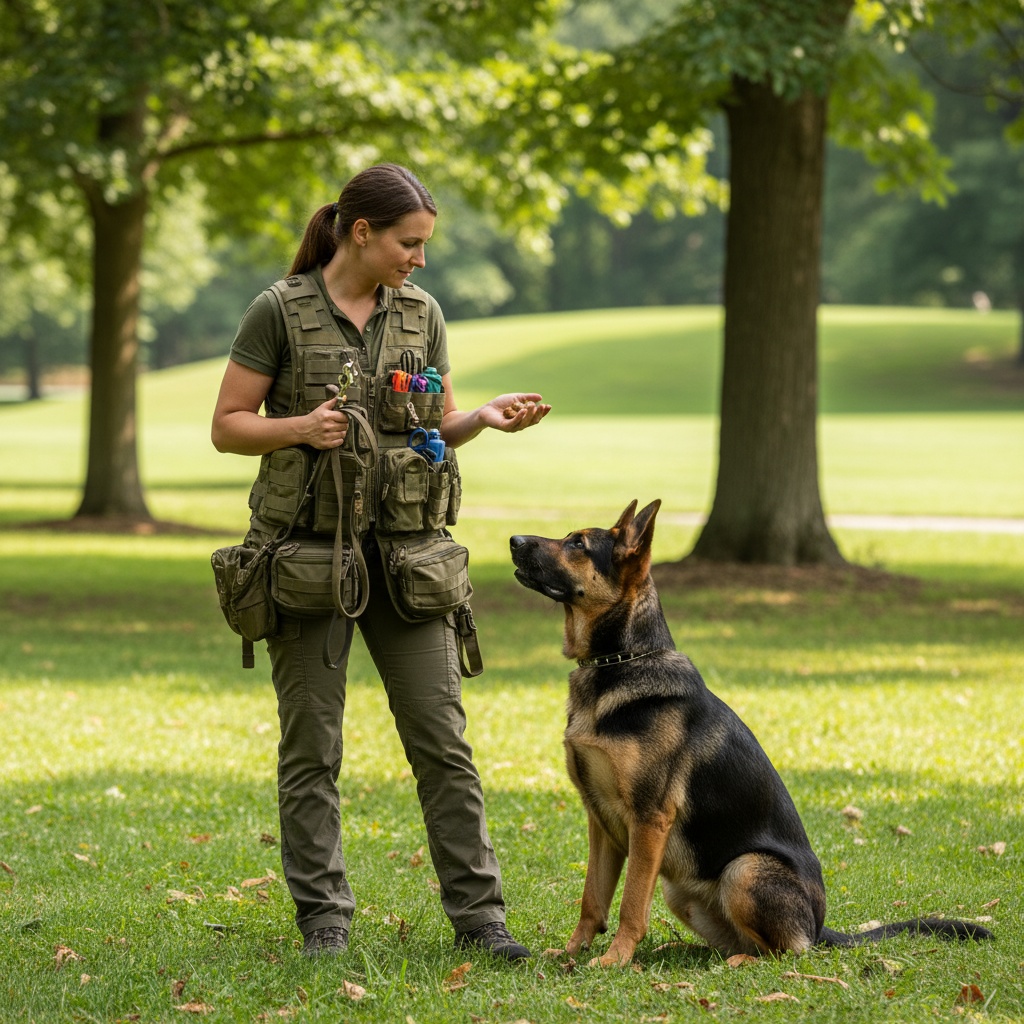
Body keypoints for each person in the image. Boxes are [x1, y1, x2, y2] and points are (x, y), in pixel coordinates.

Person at [211, 163, 549, 961]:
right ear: (359, 233)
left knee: (443, 744)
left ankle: (482, 922)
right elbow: (227, 426)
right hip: (306, 560)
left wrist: (482, 420)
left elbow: (429, 427)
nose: (419, 260)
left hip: (409, 559)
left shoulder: (422, 314)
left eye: (424, 244)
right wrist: (300, 428)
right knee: (312, 751)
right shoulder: (279, 311)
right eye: (409, 243)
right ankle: (324, 923)